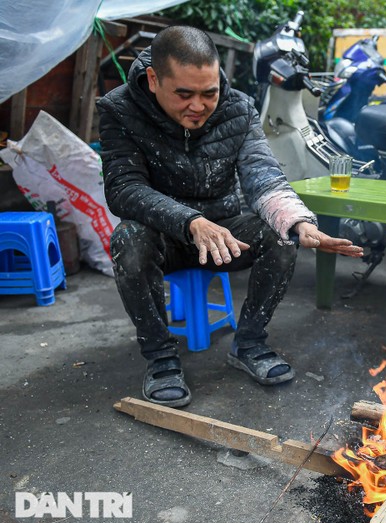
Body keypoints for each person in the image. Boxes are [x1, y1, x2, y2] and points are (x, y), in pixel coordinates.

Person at [97, 26, 362, 408]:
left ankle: (250, 342)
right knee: (127, 239)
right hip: (163, 235)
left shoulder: (238, 108)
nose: (198, 106)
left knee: (282, 235)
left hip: (225, 235)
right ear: (153, 79)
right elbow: (123, 189)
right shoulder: (118, 109)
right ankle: (161, 360)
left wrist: (299, 222)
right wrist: (190, 221)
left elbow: (262, 174)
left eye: (209, 93)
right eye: (184, 94)